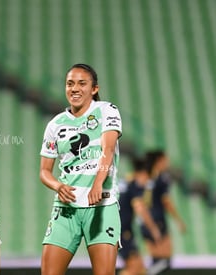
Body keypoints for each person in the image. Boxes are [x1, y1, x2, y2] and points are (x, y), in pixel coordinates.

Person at [39, 63, 122, 275]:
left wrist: (97, 184)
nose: (74, 88)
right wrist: (58, 186)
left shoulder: (106, 110)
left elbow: (108, 149)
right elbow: (44, 172)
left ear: (94, 89)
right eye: (70, 84)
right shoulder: (55, 124)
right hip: (66, 209)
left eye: (81, 83)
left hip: (102, 206)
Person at [141, 150, 186, 275]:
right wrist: (179, 220)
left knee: (156, 259)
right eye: (166, 160)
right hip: (157, 221)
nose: (168, 163)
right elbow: (166, 201)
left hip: (145, 222)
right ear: (159, 161)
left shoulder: (145, 176)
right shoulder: (162, 178)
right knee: (165, 261)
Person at [118, 157, 161, 275]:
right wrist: (153, 229)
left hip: (116, 229)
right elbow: (140, 209)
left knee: (139, 267)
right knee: (135, 268)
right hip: (122, 231)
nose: (147, 183)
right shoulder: (134, 186)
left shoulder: (124, 181)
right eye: (148, 178)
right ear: (142, 174)